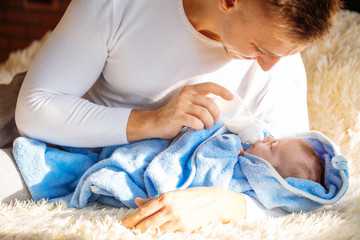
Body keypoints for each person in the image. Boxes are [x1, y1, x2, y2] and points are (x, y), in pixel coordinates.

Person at [0, 0, 342, 233]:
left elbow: (300, 196)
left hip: (115, 170)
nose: (268, 66)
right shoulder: (122, 6)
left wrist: (226, 204)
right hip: (56, 130)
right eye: (261, 48)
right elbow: (36, 108)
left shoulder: (279, 70)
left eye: (284, 53)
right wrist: (151, 122)